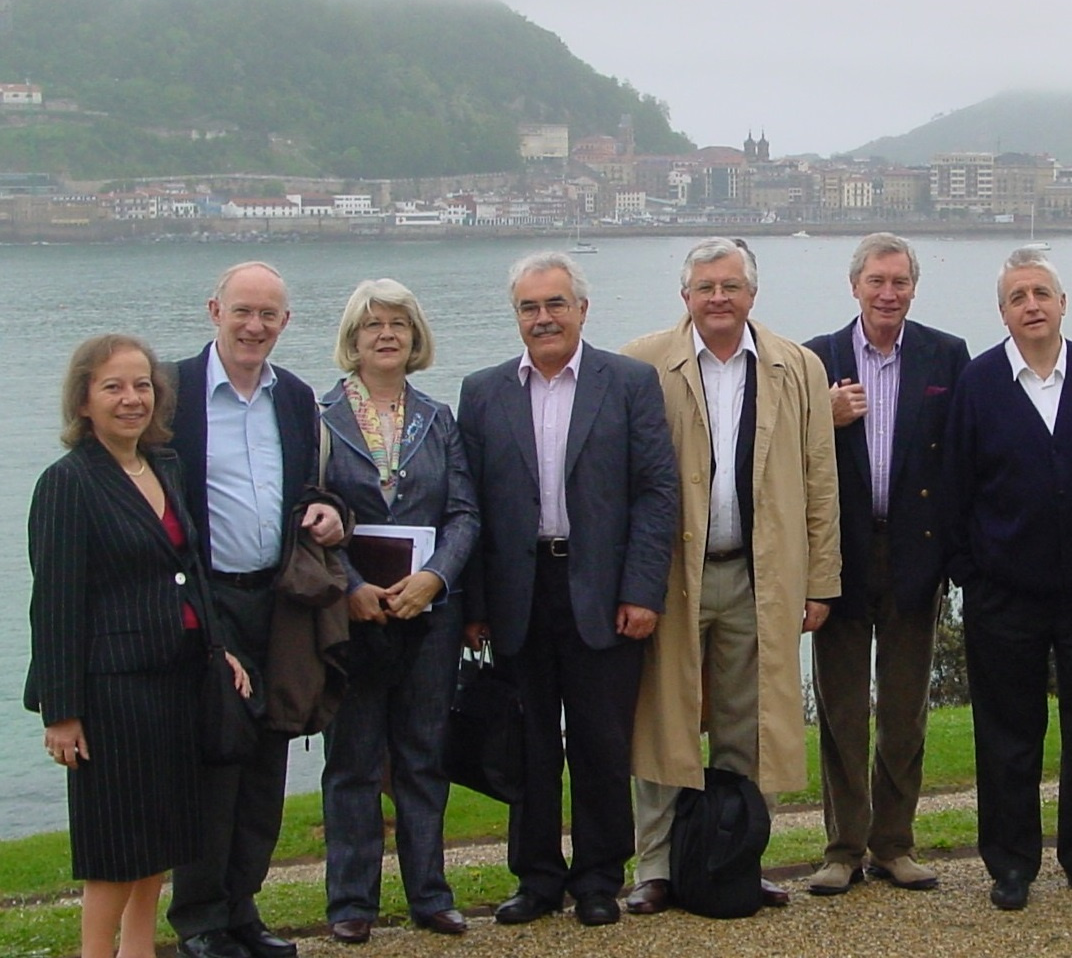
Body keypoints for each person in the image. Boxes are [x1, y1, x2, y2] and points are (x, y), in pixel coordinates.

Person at [457, 252, 679, 927]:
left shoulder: (630, 383)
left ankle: (596, 881)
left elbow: (655, 492)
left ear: (581, 308)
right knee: (526, 749)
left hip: (604, 590)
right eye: (529, 307)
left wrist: (643, 590)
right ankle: (535, 880)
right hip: (517, 592)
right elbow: (466, 504)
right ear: (516, 315)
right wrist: (473, 607)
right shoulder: (482, 390)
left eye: (555, 304)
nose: (543, 318)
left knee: (600, 746)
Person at [622, 236, 841, 914]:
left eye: (730, 286)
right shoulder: (640, 364)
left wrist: (820, 581)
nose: (718, 298)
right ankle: (654, 867)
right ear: (684, 296)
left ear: (752, 293)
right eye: (705, 287)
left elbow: (818, 479)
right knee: (664, 722)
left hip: (759, 576)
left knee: (751, 726)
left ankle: (737, 860)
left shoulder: (796, 366)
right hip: (671, 578)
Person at [26, 335, 249, 958]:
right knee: (118, 846)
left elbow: (190, 569)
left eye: (142, 386)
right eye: (114, 387)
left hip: (177, 680)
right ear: (84, 400)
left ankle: (140, 950)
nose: (131, 399)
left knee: (164, 837)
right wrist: (61, 712)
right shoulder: (68, 484)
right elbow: (56, 605)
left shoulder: (163, 465)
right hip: (112, 693)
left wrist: (218, 648)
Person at [942, 248, 1072, 912]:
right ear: (1002, 312)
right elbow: (957, 489)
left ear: (1061, 303)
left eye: (1040, 293)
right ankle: (1010, 862)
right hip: (1004, 594)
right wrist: (971, 574)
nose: (1030, 304)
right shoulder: (977, 382)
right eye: (1016, 296)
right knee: (1007, 733)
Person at [168, 261, 344, 958]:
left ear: (285, 323)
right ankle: (200, 920)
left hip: (278, 605)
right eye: (242, 311)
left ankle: (243, 909)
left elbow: (308, 489)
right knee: (215, 759)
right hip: (207, 602)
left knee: (268, 761)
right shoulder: (171, 391)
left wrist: (330, 513)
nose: (254, 326)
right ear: (215, 309)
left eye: (268, 315)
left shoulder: (296, 399)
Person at [802, 232, 970, 896]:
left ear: (912, 289)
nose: (887, 293)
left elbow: (960, 457)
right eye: (876, 281)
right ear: (854, 287)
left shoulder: (945, 355)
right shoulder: (816, 360)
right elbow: (785, 454)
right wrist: (825, 416)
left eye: (898, 282)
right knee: (841, 708)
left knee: (904, 709)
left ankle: (894, 844)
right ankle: (841, 847)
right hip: (838, 556)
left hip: (914, 553)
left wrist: (953, 557)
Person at [317, 279, 480, 943]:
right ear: (352, 339)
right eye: (372, 325)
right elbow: (308, 511)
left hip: (429, 617)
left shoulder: (439, 418)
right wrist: (351, 583)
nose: (386, 335)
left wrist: (436, 579)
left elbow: (465, 512)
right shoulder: (319, 419)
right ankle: (351, 903)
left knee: (422, 756)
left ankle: (430, 894)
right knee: (352, 761)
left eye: (398, 325)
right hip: (351, 616)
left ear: (416, 338)